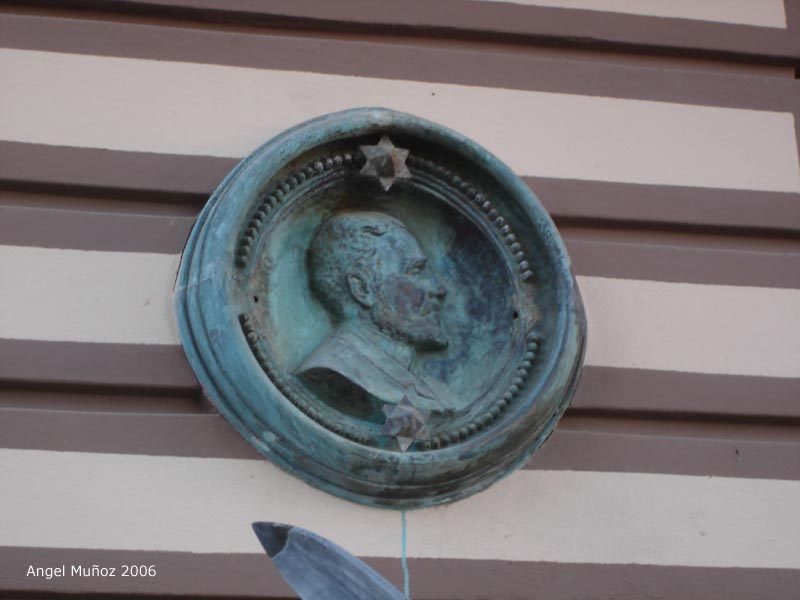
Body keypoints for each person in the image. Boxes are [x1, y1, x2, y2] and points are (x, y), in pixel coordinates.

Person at [297, 211, 456, 417]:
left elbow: (406, 441)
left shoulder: (404, 379)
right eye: (417, 271)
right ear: (362, 289)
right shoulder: (333, 372)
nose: (439, 289)